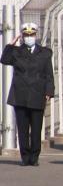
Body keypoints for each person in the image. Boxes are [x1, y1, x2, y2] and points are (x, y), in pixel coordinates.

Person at [0, 22, 54, 166]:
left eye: (31, 35)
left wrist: (49, 91)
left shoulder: (45, 52)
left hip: (38, 94)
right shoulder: (17, 51)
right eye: (26, 35)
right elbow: (4, 60)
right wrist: (11, 45)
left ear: (36, 35)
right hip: (20, 95)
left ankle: (34, 157)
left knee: (36, 129)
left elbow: (49, 74)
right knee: (23, 129)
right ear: (22, 36)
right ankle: (25, 157)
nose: (29, 37)